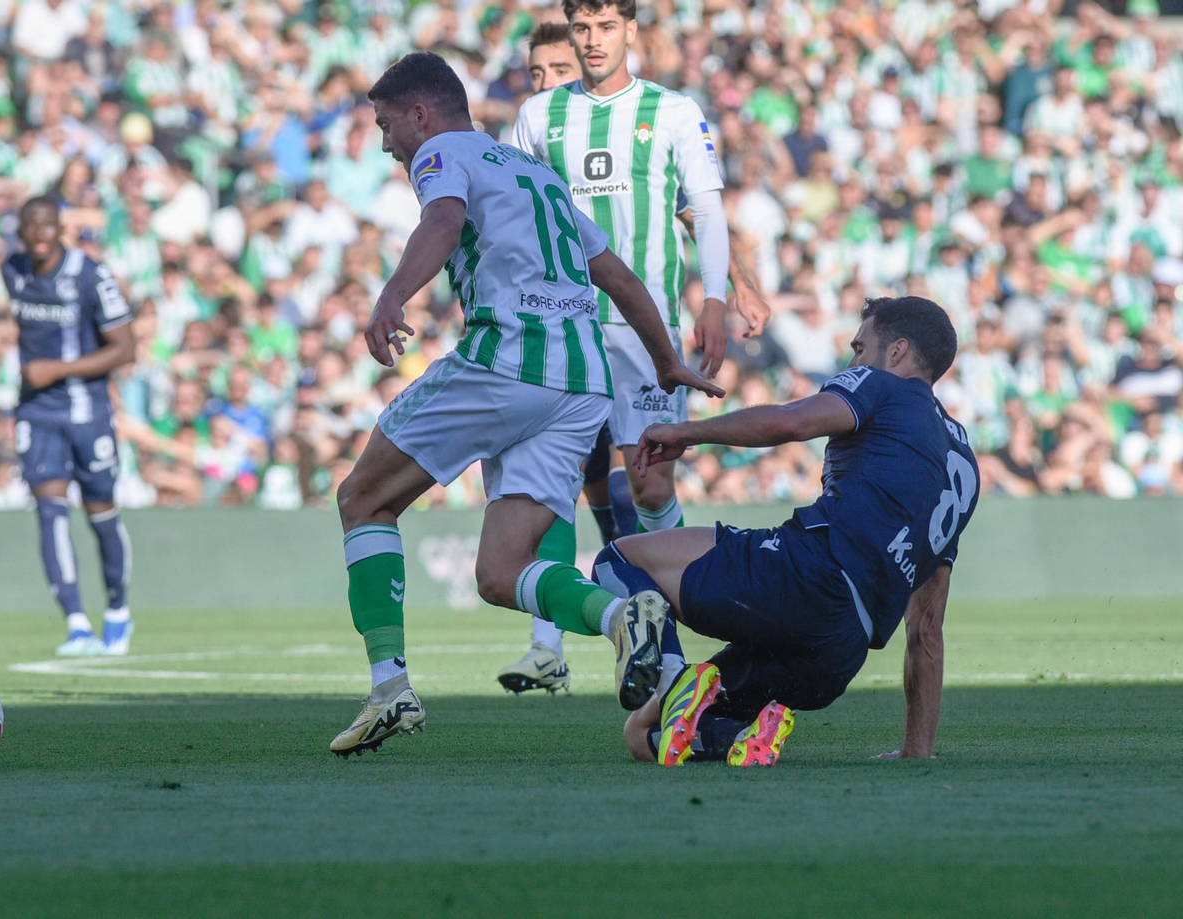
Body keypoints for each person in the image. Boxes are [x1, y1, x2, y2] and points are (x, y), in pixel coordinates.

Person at [330, 52, 722, 757]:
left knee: (363, 497)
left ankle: (390, 686)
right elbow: (617, 277)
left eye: (387, 125)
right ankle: (625, 617)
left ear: (420, 113)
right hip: (582, 381)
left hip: (508, 358)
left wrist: (391, 296)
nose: (388, 144)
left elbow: (443, 220)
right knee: (501, 571)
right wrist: (665, 360)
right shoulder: (536, 172)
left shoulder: (442, 153)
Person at [499, 4, 770, 694]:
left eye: (606, 28)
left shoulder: (672, 111)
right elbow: (513, 212)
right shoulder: (537, 116)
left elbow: (705, 207)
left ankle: (670, 636)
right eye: (582, 28)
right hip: (562, 326)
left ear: (630, 31)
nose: (593, 41)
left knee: (651, 483)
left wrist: (716, 297)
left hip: (644, 332)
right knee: (555, 481)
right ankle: (631, 655)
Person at [582, 297, 977, 767]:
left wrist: (686, 433)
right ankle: (739, 737)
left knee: (618, 560)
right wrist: (916, 750)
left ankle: (672, 678)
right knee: (642, 733)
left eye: (859, 348)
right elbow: (927, 626)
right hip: (838, 655)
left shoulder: (881, 384)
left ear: (897, 351)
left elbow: (791, 422)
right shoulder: (964, 464)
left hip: (805, 579)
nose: (853, 361)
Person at [4, 196, 138, 657]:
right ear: (21, 231)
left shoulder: (90, 274)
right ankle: (77, 624)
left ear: (60, 228)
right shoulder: (12, 271)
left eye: (47, 225)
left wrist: (56, 370)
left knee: (101, 514)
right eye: (31, 225)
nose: (39, 234)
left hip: (87, 412)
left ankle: (118, 610)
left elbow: (125, 348)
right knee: (50, 510)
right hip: (38, 412)